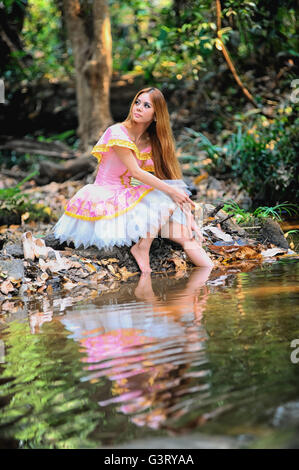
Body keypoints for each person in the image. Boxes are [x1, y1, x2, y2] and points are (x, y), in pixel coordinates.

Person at [53, 87, 214, 272]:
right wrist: (172, 193)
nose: (138, 108)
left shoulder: (150, 141)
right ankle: (142, 247)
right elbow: (137, 173)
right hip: (106, 196)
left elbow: (169, 180)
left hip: (128, 199)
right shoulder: (117, 132)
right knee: (166, 197)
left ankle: (210, 281)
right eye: (137, 102)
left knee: (186, 236)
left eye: (146, 105)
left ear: (156, 115)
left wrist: (189, 218)